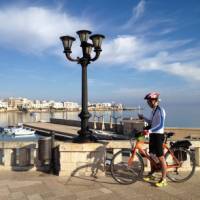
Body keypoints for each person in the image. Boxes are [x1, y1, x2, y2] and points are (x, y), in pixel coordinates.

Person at [138, 92, 167, 187]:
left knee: (161, 157)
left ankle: (164, 179)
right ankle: (153, 173)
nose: (148, 104)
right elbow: (151, 122)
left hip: (158, 135)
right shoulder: (153, 111)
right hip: (153, 135)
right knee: (151, 155)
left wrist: (149, 131)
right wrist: (143, 117)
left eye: (149, 102)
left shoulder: (160, 110)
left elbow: (160, 125)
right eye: (148, 102)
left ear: (154, 101)